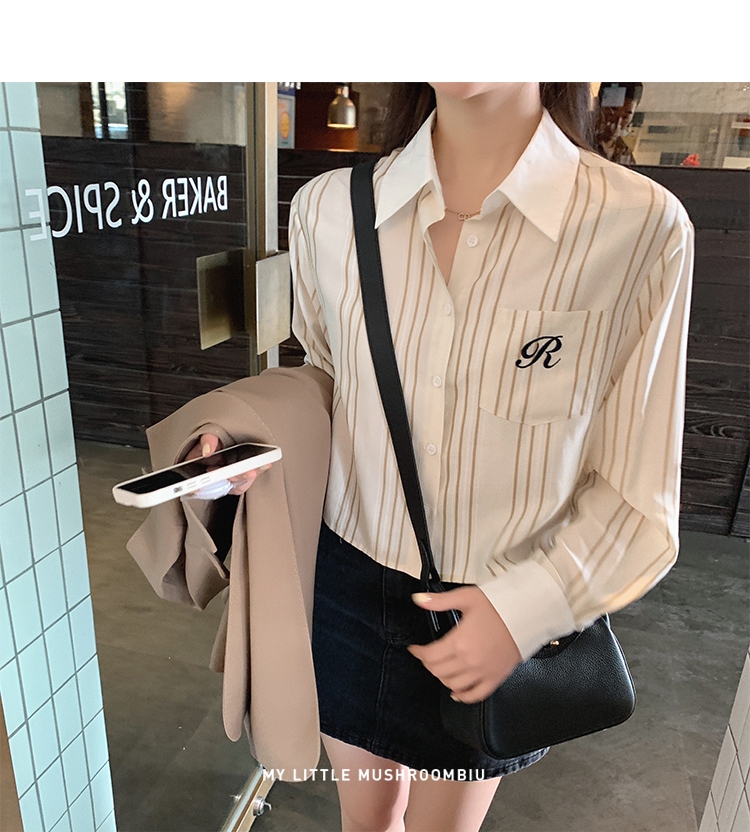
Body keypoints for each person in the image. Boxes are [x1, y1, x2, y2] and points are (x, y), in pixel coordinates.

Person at [187, 82, 694, 832]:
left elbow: (639, 496)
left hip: (495, 603)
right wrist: (252, 436)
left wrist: (528, 611)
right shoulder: (329, 209)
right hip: (346, 587)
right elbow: (333, 384)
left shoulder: (639, 227)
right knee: (364, 820)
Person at [594, 82, 643, 164]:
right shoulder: (579, 143)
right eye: (611, 113)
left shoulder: (625, 155)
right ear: (596, 106)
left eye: (625, 117)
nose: (617, 124)